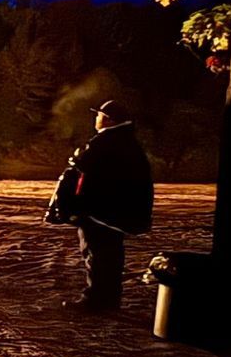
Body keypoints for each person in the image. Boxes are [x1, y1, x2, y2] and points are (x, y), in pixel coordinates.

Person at [47, 99, 154, 313]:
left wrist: (73, 205)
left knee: (97, 255)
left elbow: (85, 170)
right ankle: (108, 300)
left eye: (99, 115)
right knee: (111, 256)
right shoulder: (126, 141)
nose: (96, 118)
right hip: (116, 213)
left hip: (102, 213)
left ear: (108, 120)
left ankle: (95, 301)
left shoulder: (107, 142)